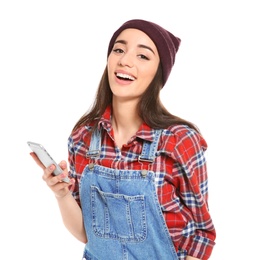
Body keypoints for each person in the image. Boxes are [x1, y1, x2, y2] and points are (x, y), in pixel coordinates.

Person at [30, 19, 216, 260]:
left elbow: (201, 235)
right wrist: (62, 194)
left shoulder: (180, 140)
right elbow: (87, 233)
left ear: (158, 73)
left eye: (143, 56)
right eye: (119, 49)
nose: (125, 60)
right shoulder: (83, 137)